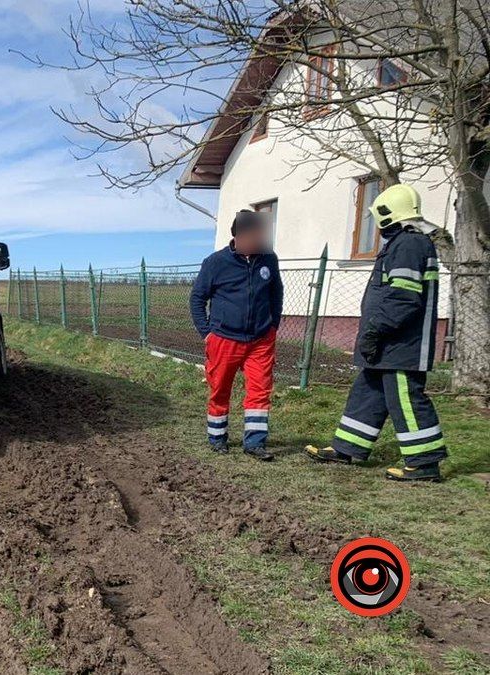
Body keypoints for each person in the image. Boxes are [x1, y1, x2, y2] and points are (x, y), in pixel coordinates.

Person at [306, 184, 447, 482]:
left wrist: (374, 331)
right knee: (367, 392)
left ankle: (425, 462)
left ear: (388, 215)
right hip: (388, 343)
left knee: (405, 399)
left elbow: (404, 298)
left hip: (401, 346)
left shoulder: (408, 245)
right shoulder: (403, 244)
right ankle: (348, 448)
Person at [190, 210, 283, 461]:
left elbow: (276, 294)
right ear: (238, 236)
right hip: (223, 339)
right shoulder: (215, 263)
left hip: (261, 340)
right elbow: (198, 299)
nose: (259, 240)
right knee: (220, 389)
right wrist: (207, 333)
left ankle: (255, 443)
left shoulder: (268, 259)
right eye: (254, 235)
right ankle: (218, 438)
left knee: (259, 391)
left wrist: (273, 325)